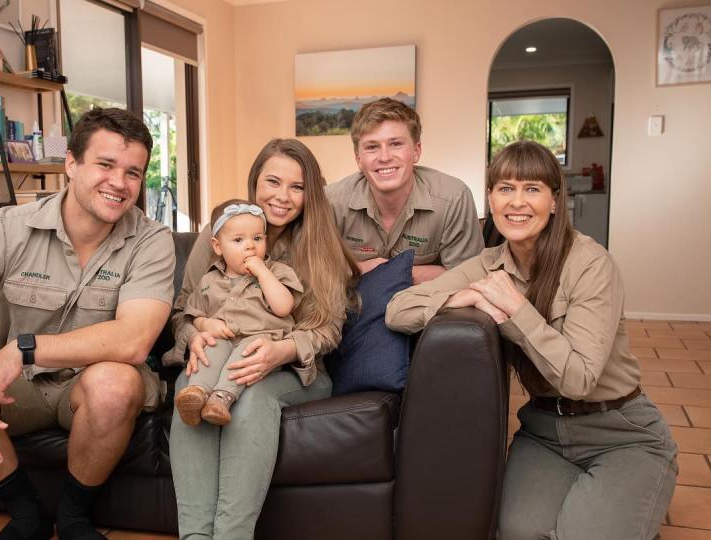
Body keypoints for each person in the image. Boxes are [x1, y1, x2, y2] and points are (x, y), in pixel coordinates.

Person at [0, 108, 175, 540]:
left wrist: (25, 348)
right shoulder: (8, 228)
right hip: (20, 387)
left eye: (133, 173)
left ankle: (74, 515)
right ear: (71, 163)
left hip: (92, 383)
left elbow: (134, 340)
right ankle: (26, 512)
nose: (119, 183)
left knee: (114, 384)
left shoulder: (152, 240)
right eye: (105, 164)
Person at [385, 140, 677, 540]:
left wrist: (516, 308)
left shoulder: (590, 264)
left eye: (532, 189)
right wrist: (464, 296)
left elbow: (578, 379)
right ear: (490, 198)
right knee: (514, 533)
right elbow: (397, 310)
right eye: (505, 188)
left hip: (621, 433)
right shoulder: (488, 264)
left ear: (555, 201)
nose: (516, 202)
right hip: (544, 432)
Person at [166, 139, 359, 539]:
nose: (282, 197)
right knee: (192, 383)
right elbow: (183, 309)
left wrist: (281, 351)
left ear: (311, 194)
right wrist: (196, 332)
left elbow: (329, 331)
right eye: (273, 181)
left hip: (295, 369)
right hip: (222, 352)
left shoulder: (322, 246)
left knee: (251, 396)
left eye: (297, 187)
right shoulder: (218, 235)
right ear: (255, 181)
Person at [175, 200, 303, 427]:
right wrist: (205, 325)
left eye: (257, 238)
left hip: (259, 342)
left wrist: (262, 272)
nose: (250, 247)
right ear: (217, 246)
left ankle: (220, 399)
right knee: (210, 348)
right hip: (224, 338)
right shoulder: (209, 280)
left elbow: (283, 307)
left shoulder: (277, 272)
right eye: (238, 240)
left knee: (245, 353)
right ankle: (197, 394)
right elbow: (193, 314)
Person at [326, 97, 483, 281]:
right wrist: (361, 269)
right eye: (372, 147)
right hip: (352, 306)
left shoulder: (454, 198)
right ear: (358, 159)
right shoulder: (330, 201)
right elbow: (312, 271)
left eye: (396, 144)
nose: (384, 157)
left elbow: (468, 277)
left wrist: (387, 271)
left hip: (429, 307)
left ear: (416, 151)